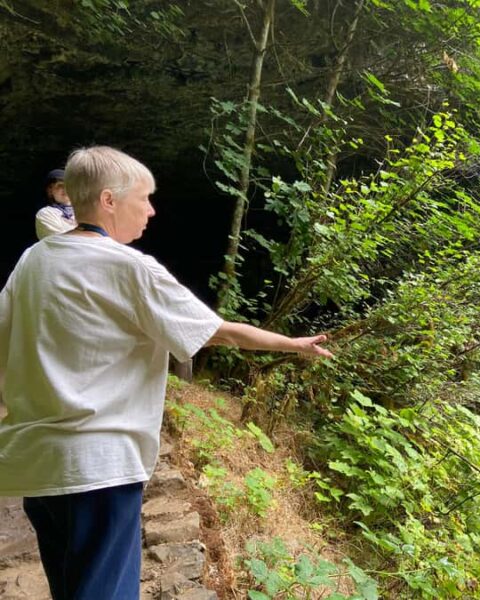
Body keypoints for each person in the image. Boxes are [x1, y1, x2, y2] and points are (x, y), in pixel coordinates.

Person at [0, 146, 333, 599]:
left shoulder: (31, 262)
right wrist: (291, 344)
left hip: (36, 468)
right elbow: (216, 332)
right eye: (145, 198)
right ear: (109, 200)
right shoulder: (129, 267)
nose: (152, 210)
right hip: (101, 469)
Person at [35, 168, 77, 239]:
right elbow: (59, 241)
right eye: (60, 186)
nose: (66, 188)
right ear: (50, 191)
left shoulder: (84, 212)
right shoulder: (46, 213)